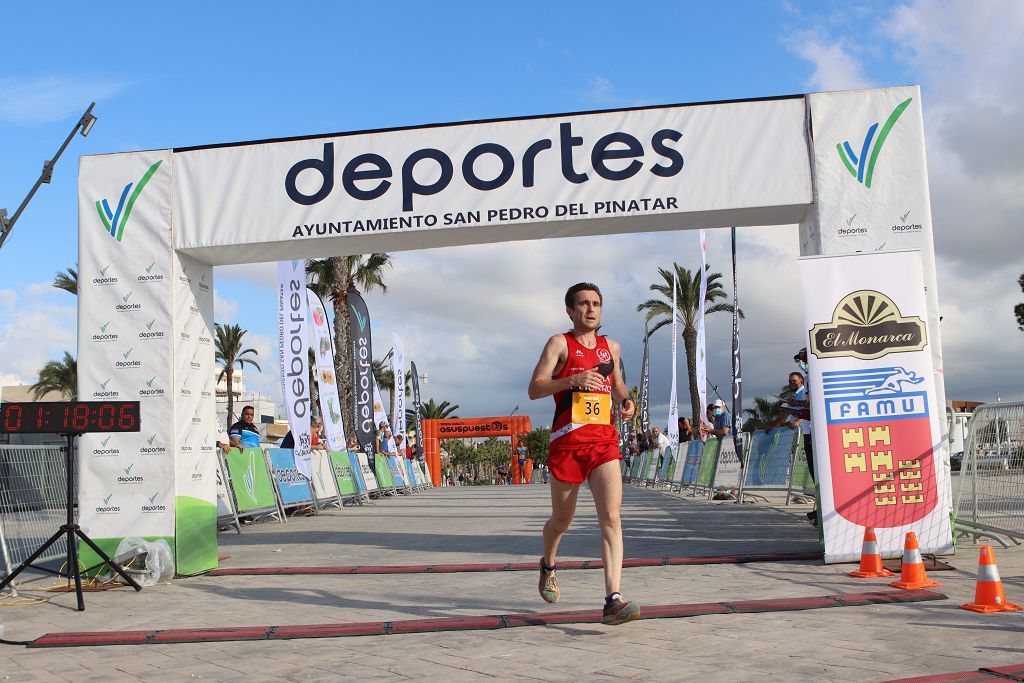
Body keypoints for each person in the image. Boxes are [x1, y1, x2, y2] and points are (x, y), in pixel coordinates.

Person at [528, 281, 639, 626]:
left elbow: (617, 382)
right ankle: (548, 563)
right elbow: (535, 388)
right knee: (562, 521)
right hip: (567, 443)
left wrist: (625, 399)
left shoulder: (612, 347)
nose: (591, 309)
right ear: (570, 311)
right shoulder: (559, 343)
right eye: (584, 304)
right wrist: (572, 380)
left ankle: (613, 599)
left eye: (596, 303)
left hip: (603, 442)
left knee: (612, 516)